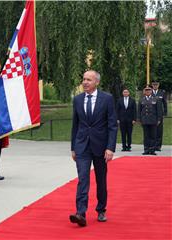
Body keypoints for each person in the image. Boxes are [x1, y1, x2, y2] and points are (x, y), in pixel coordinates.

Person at [70, 70, 117, 227]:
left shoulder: (107, 99)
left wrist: (110, 148)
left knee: (101, 180)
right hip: (82, 146)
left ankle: (101, 209)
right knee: (83, 179)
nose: (85, 82)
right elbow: (75, 125)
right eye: (83, 79)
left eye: (88, 80)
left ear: (96, 82)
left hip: (101, 147)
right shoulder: (77, 100)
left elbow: (112, 126)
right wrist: (73, 147)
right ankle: (80, 213)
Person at [138, 85, 163, 155]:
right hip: (145, 120)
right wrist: (139, 119)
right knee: (146, 136)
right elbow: (139, 111)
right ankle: (146, 149)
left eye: (149, 90)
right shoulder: (141, 100)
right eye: (146, 90)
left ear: (151, 91)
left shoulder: (156, 99)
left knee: (153, 136)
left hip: (153, 120)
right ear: (144, 92)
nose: (147, 91)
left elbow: (159, 110)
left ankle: (152, 150)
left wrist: (158, 119)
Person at [151, 81, 168, 151]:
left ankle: (158, 146)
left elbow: (164, 103)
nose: (155, 86)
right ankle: (152, 145)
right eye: (154, 85)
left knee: (159, 130)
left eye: (156, 85)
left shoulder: (162, 92)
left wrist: (165, 113)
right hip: (151, 114)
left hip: (159, 114)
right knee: (152, 130)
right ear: (152, 85)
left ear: (158, 85)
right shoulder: (149, 92)